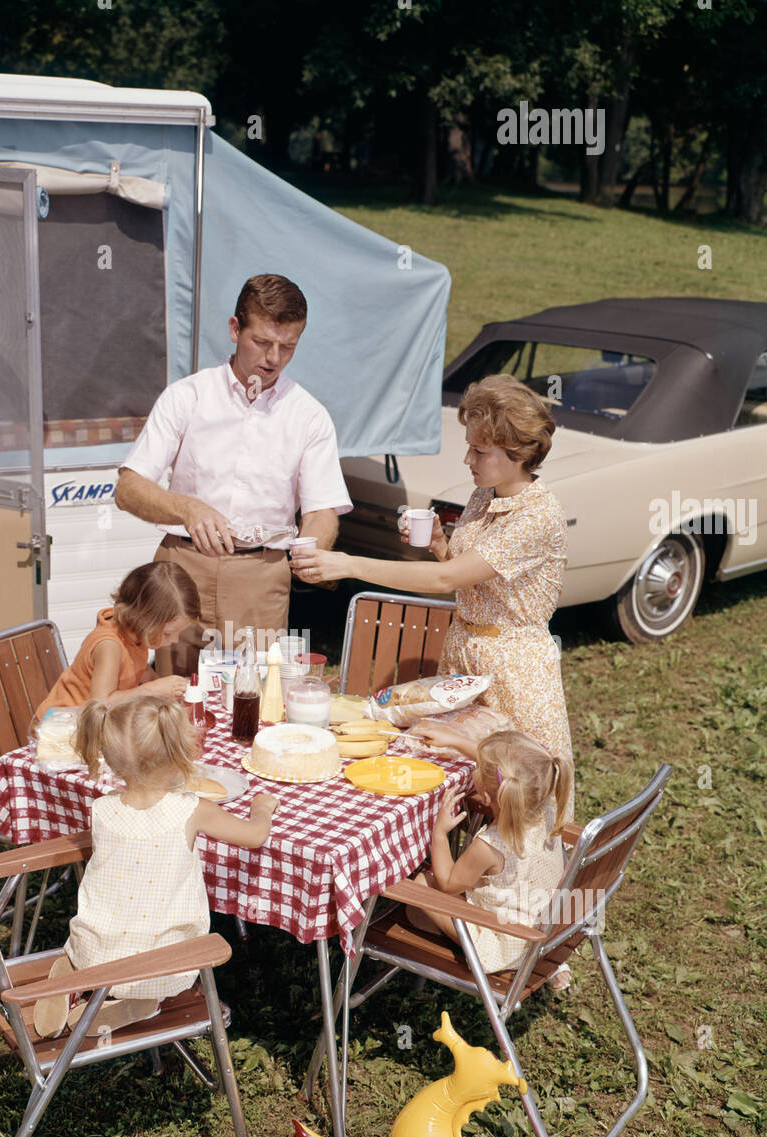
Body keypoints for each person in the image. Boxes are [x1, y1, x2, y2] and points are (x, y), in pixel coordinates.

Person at [289, 373, 575, 817]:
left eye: (479, 450)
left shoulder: (537, 517)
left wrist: (348, 564)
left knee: (516, 802)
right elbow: (467, 576)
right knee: (459, 784)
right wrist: (441, 543)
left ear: (516, 453)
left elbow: (446, 582)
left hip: (514, 673)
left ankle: (518, 887)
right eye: (469, 446)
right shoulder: (486, 495)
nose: (467, 459)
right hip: (466, 655)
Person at [114, 273, 352, 671]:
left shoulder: (309, 415)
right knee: (172, 694)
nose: (273, 358)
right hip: (181, 570)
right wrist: (188, 509)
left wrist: (313, 548)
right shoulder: (188, 396)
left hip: (260, 576)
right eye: (262, 342)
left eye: (288, 346)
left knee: (252, 700)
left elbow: (322, 510)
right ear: (234, 329)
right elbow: (129, 488)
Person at [33, 697, 278, 1038]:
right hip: (167, 967)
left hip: (92, 952)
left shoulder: (101, 809)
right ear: (180, 755)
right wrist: (262, 808)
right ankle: (141, 999)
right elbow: (254, 836)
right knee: (161, 958)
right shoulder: (192, 809)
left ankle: (80, 982)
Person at [409, 730, 572, 986]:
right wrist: (454, 739)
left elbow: (446, 884)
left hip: (505, 943)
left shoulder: (490, 845)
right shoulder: (546, 806)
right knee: (420, 910)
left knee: (420, 886)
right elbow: (508, 772)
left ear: (484, 795)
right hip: (545, 926)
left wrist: (440, 833)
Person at [34, 562, 199, 720]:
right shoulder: (109, 646)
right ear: (144, 619)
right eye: (168, 633)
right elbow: (100, 703)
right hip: (61, 725)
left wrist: (168, 688)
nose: (174, 640)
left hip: (96, 724)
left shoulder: (135, 636)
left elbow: (141, 671)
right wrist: (150, 690)